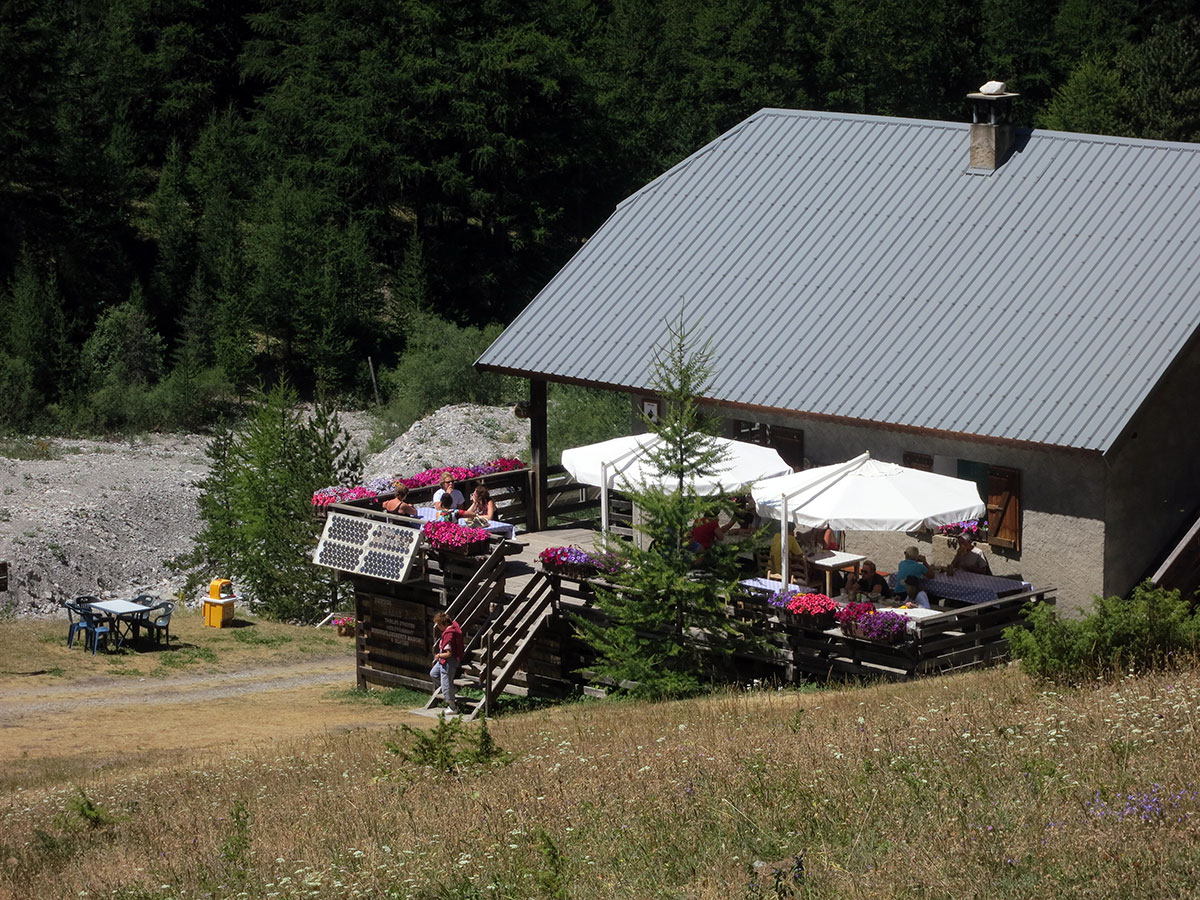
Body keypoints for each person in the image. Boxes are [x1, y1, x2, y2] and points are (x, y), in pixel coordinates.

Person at [430, 611, 464, 714]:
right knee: (433, 674)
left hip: (448, 661)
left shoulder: (449, 635)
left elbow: (449, 653)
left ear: (442, 624)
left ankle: (452, 707)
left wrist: (439, 655)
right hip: (443, 661)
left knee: (446, 683)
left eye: (439, 625)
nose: (438, 627)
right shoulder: (453, 627)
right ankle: (451, 691)